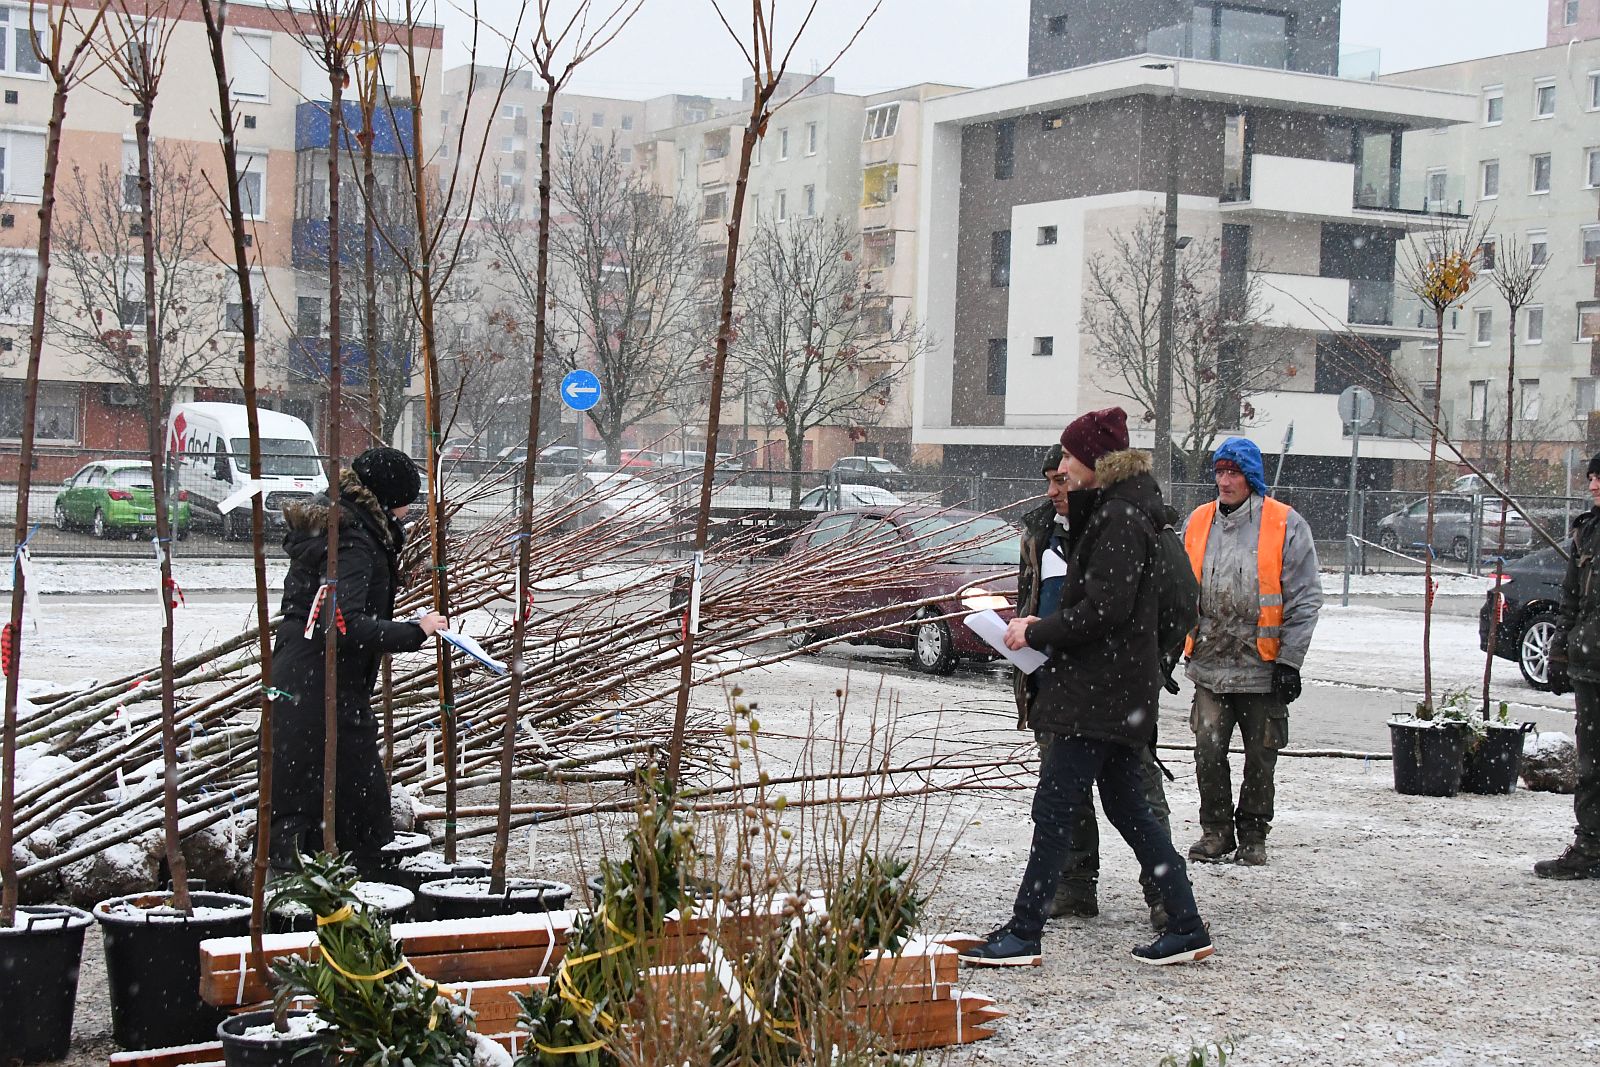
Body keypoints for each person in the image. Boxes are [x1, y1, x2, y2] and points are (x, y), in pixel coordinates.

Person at [962, 407, 1212, 968]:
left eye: (1069, 459)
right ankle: (1187, 923)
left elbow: (1105, 610)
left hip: (1097, 693)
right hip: (1112, 693)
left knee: (1054, 810)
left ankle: (1024, 932)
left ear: (1094, 462)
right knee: (1130, 811)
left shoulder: (1119, 518)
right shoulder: (1118, 510)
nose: (1064, 470)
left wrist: (1034, 629)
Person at [1014, 442, 1173, 930]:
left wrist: (1154, 662)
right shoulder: (1039, 529)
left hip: (1112, 688)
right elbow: (1033, 593)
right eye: (1049, 481)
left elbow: (1167, 603)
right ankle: (1075, 887)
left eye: (1062, 479)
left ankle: (1167, 900)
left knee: (1130, 797)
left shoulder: (1122, 523)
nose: (1055, 490)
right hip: (1058, 680)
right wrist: (1027, 639)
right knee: (1072, 798)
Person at [268, 446, 447, 874]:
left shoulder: (343, 527)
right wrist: (415, 631)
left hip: (306, 679)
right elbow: (343, 623)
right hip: (324, 687)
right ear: (385, 500)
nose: (409, 512)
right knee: (358, 809)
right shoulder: (353, 538)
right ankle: (339, 905)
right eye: (406, 501)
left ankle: (303, 899)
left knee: (302, 801)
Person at [1183, 437, 1322, 867]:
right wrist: (1170, 647)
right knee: (1208, 750)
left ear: (1251, 477)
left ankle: (1254, 832)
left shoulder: (1286, 524)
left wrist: (1289, 661)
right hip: (1209, 662)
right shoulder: (1198, 521)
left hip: (1262, 665)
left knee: (1261, 755)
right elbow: (1177, 592)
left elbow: (1305, 598)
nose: (1225, 482)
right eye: (1220, 473)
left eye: (1234, 473)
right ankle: (1216, 831)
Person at [1538, 452, 1600, 879]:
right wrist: (1560, 651)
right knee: (1591, 762)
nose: (1593, 486)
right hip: (1590, 664)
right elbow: (1571, 598)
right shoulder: (1587, 533)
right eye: (1592, 477)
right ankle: (1591, 846)